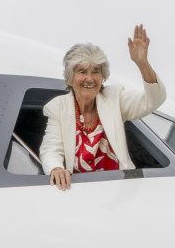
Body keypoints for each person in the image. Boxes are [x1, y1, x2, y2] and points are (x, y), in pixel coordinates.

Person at [39, 27, 165, 190]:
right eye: (82, 71)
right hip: (80, 191)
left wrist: (143, 64)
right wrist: (56, 168)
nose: (89, 79)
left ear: (102, 77)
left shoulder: (114, 98)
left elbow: (153, 100)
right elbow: (50, 148)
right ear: (70, 79)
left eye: (96, 72)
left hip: (120, 188)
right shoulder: (58, 107)